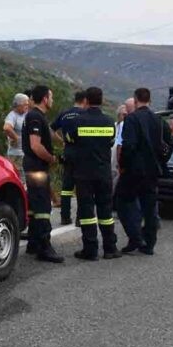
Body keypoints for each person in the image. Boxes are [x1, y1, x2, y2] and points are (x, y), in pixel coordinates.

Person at [115, 87, 173, 256]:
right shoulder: (159, 121)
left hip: (134, 170)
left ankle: (135, 237)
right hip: (153, 171)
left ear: (136, 99)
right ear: (150, 100)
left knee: (122, 202)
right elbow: (169, 145)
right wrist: (161, 162)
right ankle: (149, 243)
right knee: (149, 207)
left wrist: (123, 165)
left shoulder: (132, 119)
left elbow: (128, 146)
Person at [62, 86, 117, 261]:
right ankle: (110, 248)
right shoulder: (109, 122)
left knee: (86, 213)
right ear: (101, 101)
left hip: (83, 174)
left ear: (86, 100)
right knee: (105, 212)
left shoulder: (78, 121)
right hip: (103, 174)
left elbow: (69, 140)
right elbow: (110, 142)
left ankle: (90, 250)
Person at [22, 85, 64, 263]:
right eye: (51, 97)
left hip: (35, 166)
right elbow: (35, 146)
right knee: (43, 207)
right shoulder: (35, 117)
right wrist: (51, 158)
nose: (52, 101)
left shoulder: (37, 117)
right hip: (37, 166)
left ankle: (33, 242)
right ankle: (45, 247)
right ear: (45, 99)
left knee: (34, 204)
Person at [51, 90, 87, 226]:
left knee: (67, 187)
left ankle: (65, 217)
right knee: (82, 186)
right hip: (83, 154)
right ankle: (80, 218)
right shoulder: (85, 114)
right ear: (85, 101)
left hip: (68, 153)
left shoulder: (64, 114)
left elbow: (50, 129)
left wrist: (61, 141)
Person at [3, 93, 30, 186]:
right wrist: (15, 138)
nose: (27, 106)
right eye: (25, 104)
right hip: (16, 154)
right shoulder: (12, 115)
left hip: (25, 153)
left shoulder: (25, 114)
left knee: (26, 178)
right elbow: (7, 128)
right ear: (18, 105)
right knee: (19, 178)